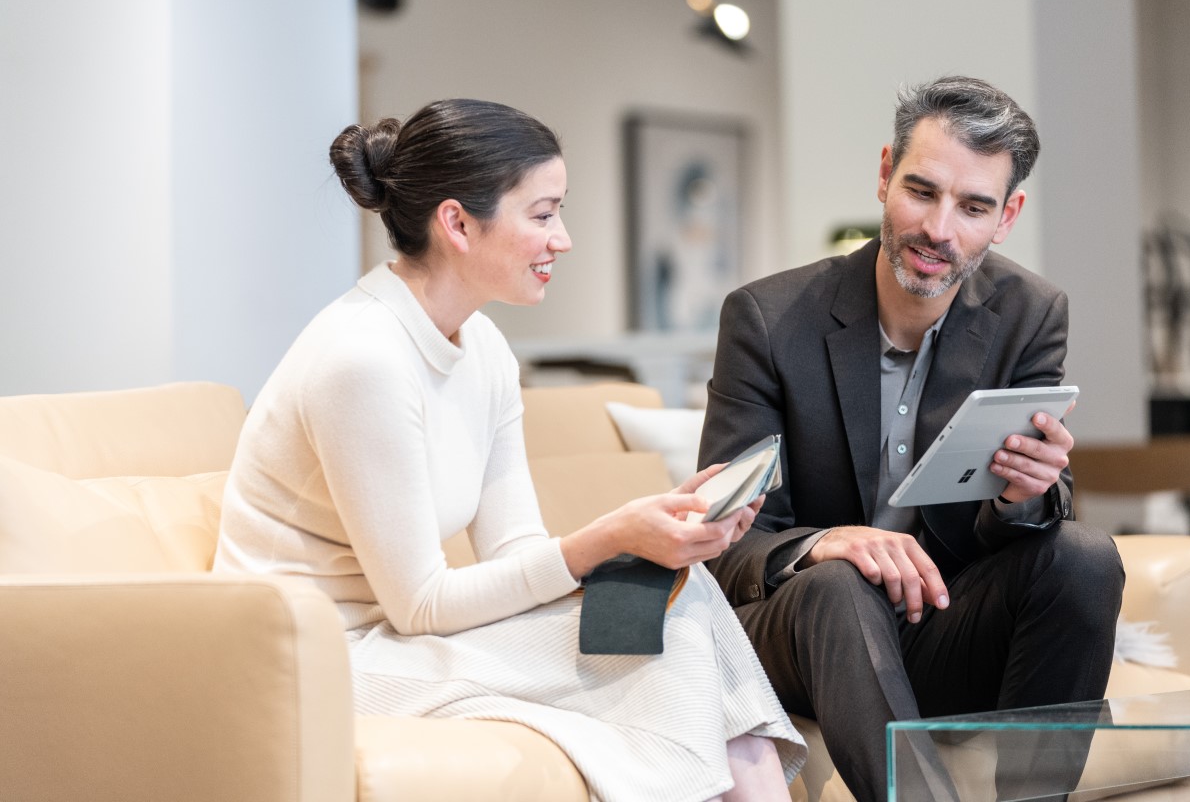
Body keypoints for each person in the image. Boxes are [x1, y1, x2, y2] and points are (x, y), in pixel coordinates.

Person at [213, 98, 805, 802]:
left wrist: (650, 539)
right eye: (544, 213)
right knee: (669, 630)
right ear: (458, 223)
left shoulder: (483, 347)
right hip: (335, 656)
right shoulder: (363, 358)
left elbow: (512, 547)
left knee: (675, 594)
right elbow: (420, 605)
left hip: (404, 640)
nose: (564, 238)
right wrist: (606, 538)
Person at [699, 76, 1125, 802]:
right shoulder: (768, 320)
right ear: (884, 173)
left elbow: (1026, 529)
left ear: (1008, 215)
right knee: (840, 581)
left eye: (973, 206)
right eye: (921, 191)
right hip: (802, 630)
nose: (940, 229)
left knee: (1085, 557)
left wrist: (1027, 495)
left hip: (938, 625)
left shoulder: (1030, 314)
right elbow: (722, 538)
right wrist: (823, 542)